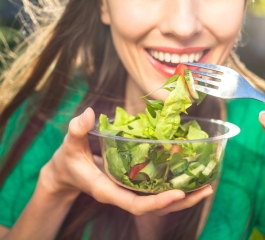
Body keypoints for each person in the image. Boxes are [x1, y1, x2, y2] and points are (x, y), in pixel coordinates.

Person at [0, 0, 265, 239]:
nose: (183, 27)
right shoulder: (37, 123)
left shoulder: (257, 136)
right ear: (103, 5)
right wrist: (55, 185)